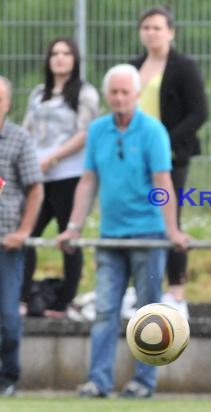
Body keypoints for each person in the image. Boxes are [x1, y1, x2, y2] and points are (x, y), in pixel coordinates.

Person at [56, 64, 190, 399]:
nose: (119, 98)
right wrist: (73, 226)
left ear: (136, 95)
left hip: (148, 233)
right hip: (110, 235)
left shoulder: (153, 131)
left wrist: (172, 230)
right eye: (113, 93)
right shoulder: (98, 130)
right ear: (106, 96)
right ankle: (98, 381)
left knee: (149, 312)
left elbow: (163, 184)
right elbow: (88, 182)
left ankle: (143, 382)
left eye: (124, 93)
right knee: (104, 311)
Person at [130, 5, 208, 318]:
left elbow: (199, 112)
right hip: (136, 159)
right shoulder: (133, 66)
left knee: (170, 218)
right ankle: (139, 287)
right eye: (146, 27)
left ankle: (176, 291)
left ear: (171, 32)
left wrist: (163, 142)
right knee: (139, 216)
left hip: (172, 156)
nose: (151, 32)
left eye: (157, 27)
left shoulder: (183, 66)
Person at [20, 37, 100, 318]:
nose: (60, 58)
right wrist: (29, 162)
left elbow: (84, 133)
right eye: (55, 53)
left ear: (75, 59)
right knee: (27, 234)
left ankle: (63, 302)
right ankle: (22, 297)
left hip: (70, 176)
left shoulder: (85, 93)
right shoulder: (39, 94)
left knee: (69, 239)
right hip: (39, 178)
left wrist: (53, 158)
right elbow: (26, 131)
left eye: (66, 53)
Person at [0, 75, 44, 396]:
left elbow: (35, 189)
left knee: (7, 319)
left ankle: (8, 378)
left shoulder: (18, 139)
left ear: (7, 104)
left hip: (6, 246)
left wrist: (25, 231)